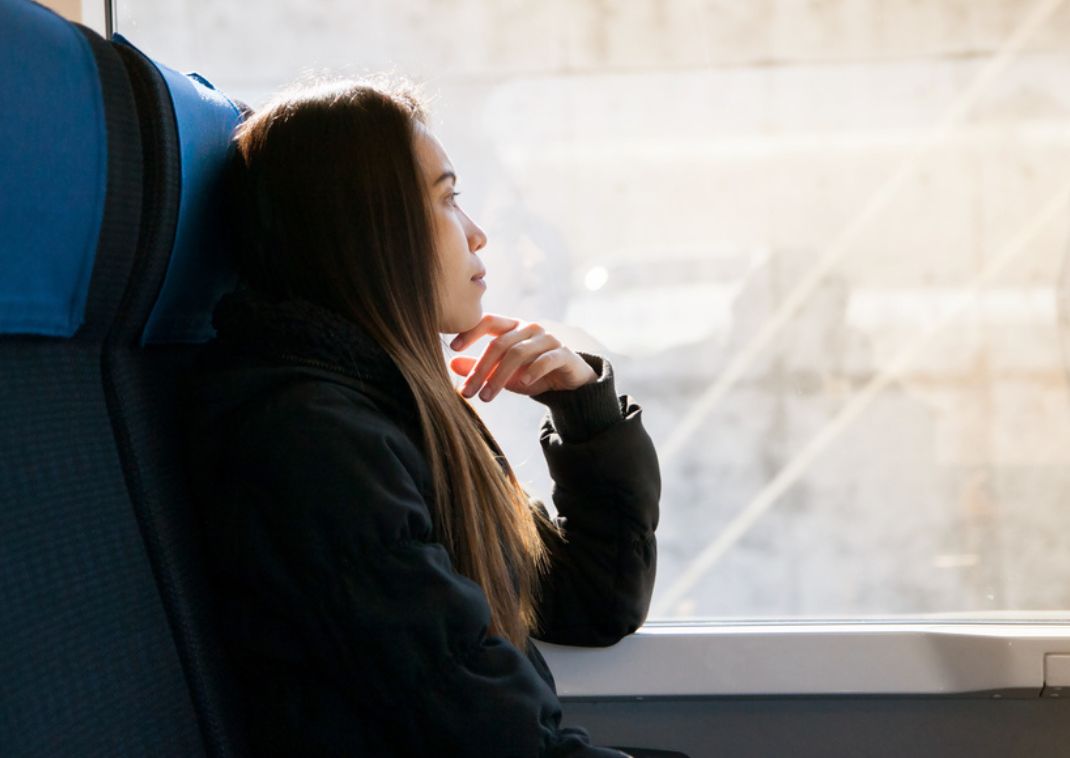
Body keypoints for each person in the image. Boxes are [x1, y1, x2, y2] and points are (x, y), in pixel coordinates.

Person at [184, 77, 670, 757]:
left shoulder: (389, 405)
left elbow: (595, 601)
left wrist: (585, 410)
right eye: (446, 199)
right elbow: (489, 733)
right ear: (372, 230)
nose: (477, 234)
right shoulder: (313, 441)